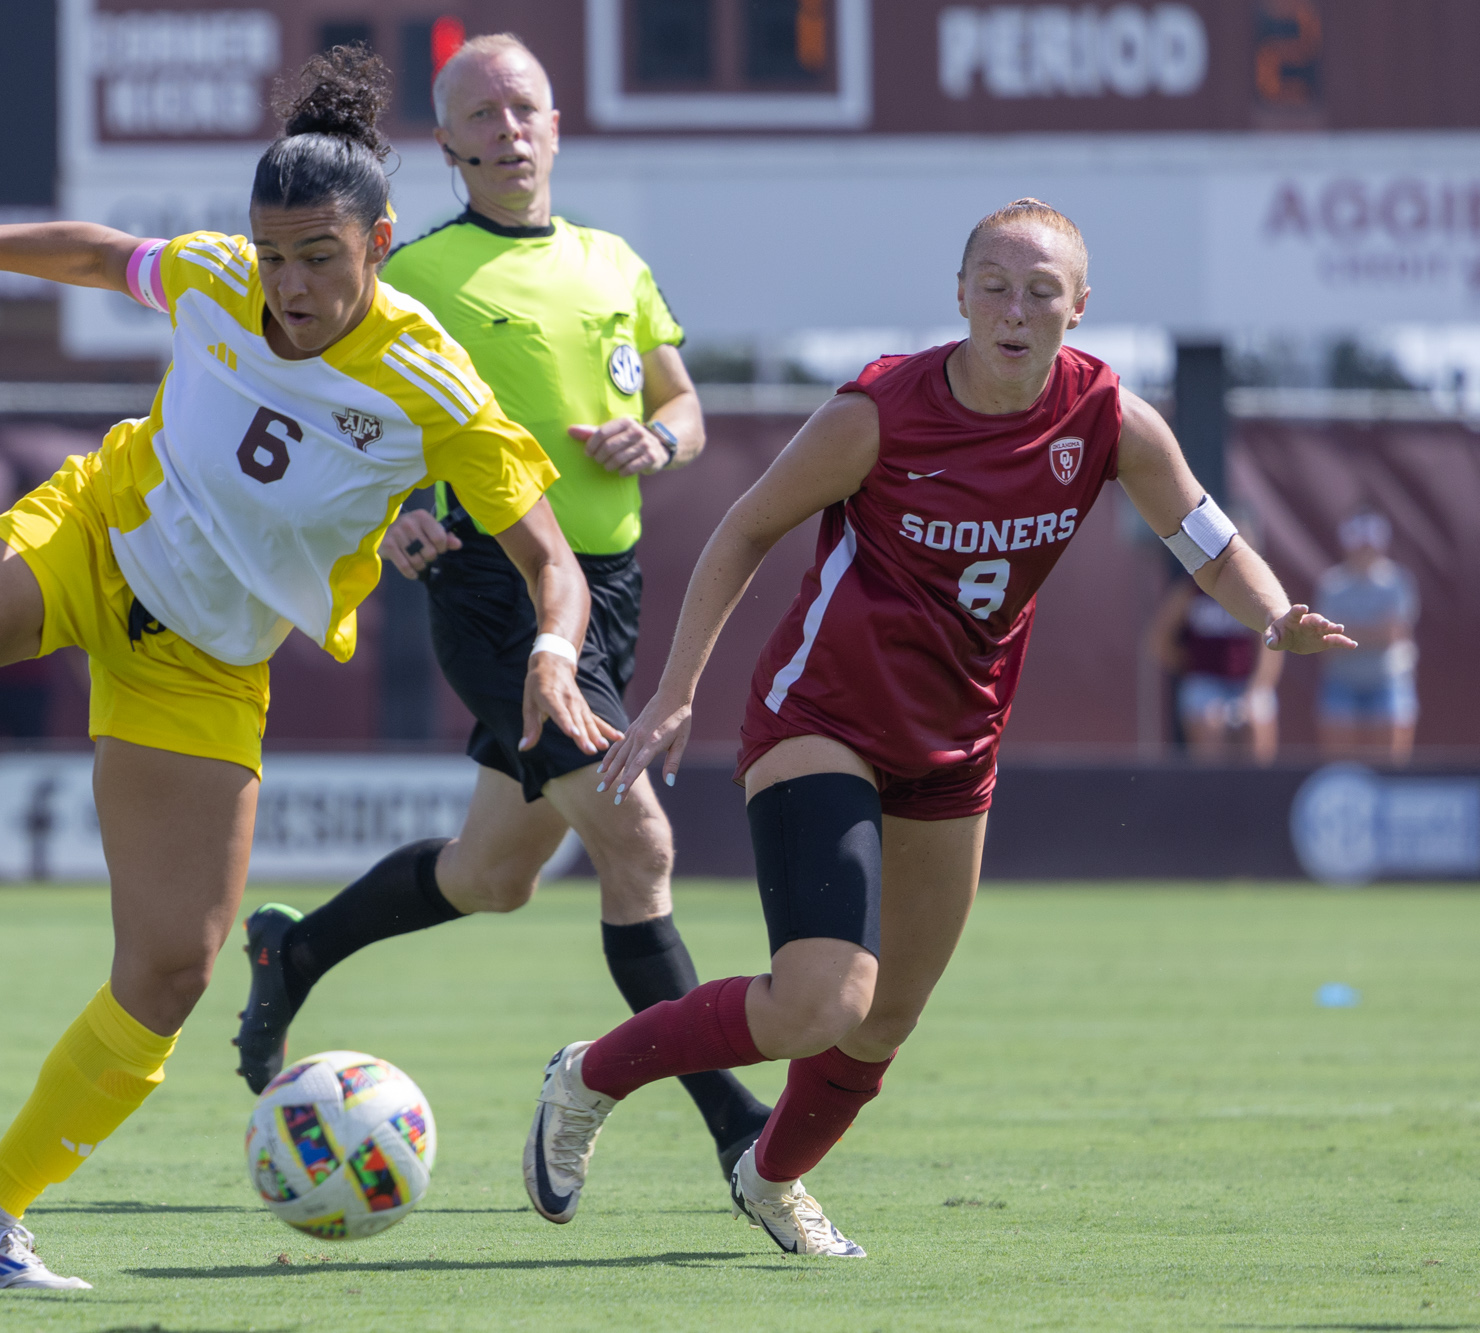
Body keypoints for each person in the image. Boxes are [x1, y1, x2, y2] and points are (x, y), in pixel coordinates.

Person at [0, 49, 605, 1290]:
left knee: (168, 970)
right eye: (271, 256)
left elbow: (554, 560)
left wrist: (551, 655)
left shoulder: (431, 384)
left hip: (205, 665)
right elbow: (103, 255)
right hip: (94, 538)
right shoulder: (218, 275)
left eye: (319, 257)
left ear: (379, 238)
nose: (287, 286)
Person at [520, 199, 1356, 1256]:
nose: (1014, 310)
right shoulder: (876, 412)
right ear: (957, 297)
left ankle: (768, 1178)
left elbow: (1203, 536)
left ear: (1078, 309)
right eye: (994, 287)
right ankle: (586, 1077)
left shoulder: (1107, 419)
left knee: (886, 1017)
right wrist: (678, 685)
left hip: (955, 740)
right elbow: (744, 529)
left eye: (1040, 292)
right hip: (818, 716)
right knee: (821, 997)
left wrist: (1274, 614)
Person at [231, 33, 774, 1184]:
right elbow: (331, 418)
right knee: (639, 842)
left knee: (494, 877)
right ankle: (738, 1129)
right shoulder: (411, 274)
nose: (507, 126)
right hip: (494, 590)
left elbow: (685, 407)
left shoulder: (614, 263)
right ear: (446, 145)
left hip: (609, 588)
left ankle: (298, 948)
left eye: (523, 106)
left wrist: (658, 438)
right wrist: (389, 522)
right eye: (480, 113)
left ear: (557, 125)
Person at [1148, 550, 1282, 764]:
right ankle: (1212, 792)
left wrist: (1256, 689)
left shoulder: (1255, 593)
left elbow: (1272, 647)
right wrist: (1192, 665)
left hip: (1247, 681)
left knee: (1257, 722)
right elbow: (1159, 640)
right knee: (1210, 724)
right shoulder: (1190, 589)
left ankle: (1261, 792)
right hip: (1206, 681)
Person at [1316, 511, 1419, 764]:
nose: (1364, 552)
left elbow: (1394, 633)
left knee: (1393, 753)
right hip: (1343, 679)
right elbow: (1327, 638)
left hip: (1388, 678)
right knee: (1338, 759)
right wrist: (1374, 632)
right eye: (1359, 546)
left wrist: (1350, 633)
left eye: (1369, 546)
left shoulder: (1398, 582)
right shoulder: (1331, 584)